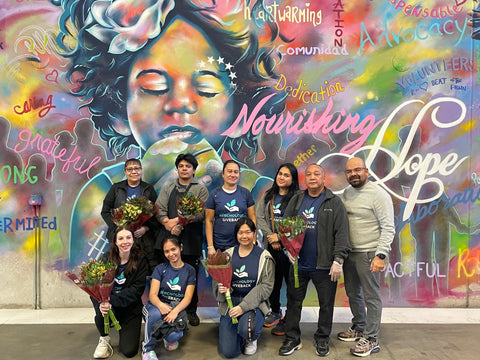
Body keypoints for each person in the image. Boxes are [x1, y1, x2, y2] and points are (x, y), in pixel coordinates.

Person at [56, 0, 285, 267]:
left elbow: (269, 273)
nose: (180, 103)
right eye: (153, 86)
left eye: (208, 88)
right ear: (119, 111)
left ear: (238, 112)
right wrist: (145, 203)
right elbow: (92, 275)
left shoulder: (257, 192)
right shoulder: (103, 191)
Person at [278, 164, 350, 357]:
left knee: (326, 305)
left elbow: (342, 233)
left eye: (316, 174)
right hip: (298, 265)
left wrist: (338, 260)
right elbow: (284, 225)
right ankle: (292, 338)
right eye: (308, 174)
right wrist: (288, 249)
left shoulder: (333, 202)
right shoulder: (297, 199)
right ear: (305, 179)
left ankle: (322, 339)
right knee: (293, 303)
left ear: (323, 178)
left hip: (325, 266)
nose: (312, 177)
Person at [337, 157, 395, 357]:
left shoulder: (378, 194)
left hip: (369, 253)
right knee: (353, 294)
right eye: (349, 171)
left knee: (371, 296)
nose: (353, 174)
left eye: (357, 170)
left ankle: (371, 338)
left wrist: (380, 255)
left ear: (366, 171)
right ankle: (359, 326)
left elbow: (388, 227)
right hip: (349, 253)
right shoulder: (346, 193)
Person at [155, 153, 208, 326]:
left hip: (191, 238)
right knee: (168, 275)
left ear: (194, 169)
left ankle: (191, 311)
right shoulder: (168, 187)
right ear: (177, 168)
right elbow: (159, 209)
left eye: (188, 166)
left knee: (190, 276)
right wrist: (166, 223)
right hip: (169, 237)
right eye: (181, 166)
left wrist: (178, 221)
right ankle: (166, 308)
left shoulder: (200, 189)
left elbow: (202, 213)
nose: (184, 169)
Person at [213, 217, 275, 358]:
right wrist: (222, 289)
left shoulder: (264, 257)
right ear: (236, 234)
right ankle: (237, 334)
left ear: (254, 233)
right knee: (229, 352)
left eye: (248, 232)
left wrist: (244, 306)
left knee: (247, 330)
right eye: (241, 232)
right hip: (232, 302)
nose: (244, 236)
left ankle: (250, 338)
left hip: (254, 303)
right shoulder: (227, 255)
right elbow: (217, 282)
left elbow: (266, 287)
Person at [91, 226, 149, 359]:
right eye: (121, 238)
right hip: (110, 307)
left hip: (130, 309)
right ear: (115, 242)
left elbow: (137, 290)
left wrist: (111, 300)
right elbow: (94, 287)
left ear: (133, 240)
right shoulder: (105, 259)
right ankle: (104, 338)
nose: (125, 241)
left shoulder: (140, 260)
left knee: (129, 352)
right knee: (101, 313)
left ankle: (124, 327)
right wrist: (101, 303)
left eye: (128, 237)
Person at [256, 163, 300, 330]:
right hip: (271, 247)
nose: (282, 177)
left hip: (291, 250)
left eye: (286, 175)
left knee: (291, 284)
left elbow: (299, 223)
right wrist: (271, 237)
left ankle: (291, 315)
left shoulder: (298, 197)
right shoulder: (269, 195)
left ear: (293, 179)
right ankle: (275, 311)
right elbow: (260, 217)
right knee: (272, 282)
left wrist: (280, 238)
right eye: (280, 173)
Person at [142, 235, 196, 360]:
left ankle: (167, 338)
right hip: (155, 306)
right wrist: (161, 306)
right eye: (167, 251)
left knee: (176, 335)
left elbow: (188, 298)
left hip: (176, 308)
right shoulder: (160, 269)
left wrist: (175, 311)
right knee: (155, 315)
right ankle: (147, 349)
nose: (171, 254)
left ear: (180, 248)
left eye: (173, 249)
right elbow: (153, 295)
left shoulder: (190, 270)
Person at [101, 158, 159, 271]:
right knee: (119, 270)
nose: (134, 172)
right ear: (125, 172)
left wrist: (146, 228)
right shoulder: (116, 188)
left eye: (137, 168)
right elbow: (105, 211)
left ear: (141, 170)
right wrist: (117, 228)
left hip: (143, 240)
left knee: (142, 270)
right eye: (130, 169)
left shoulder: (148, 189)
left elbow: (155, 214)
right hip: (120, 239)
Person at [205, 160, 256, 254]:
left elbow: (252, 218)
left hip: (243, 244)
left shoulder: (245, 193)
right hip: (220, 246)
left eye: (236, 172)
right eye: (229, 171)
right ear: (223, 174)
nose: (233, 175)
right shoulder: (214, 194)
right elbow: (209, 221)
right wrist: (210, 247)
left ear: (239, 174)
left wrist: (253, 241)